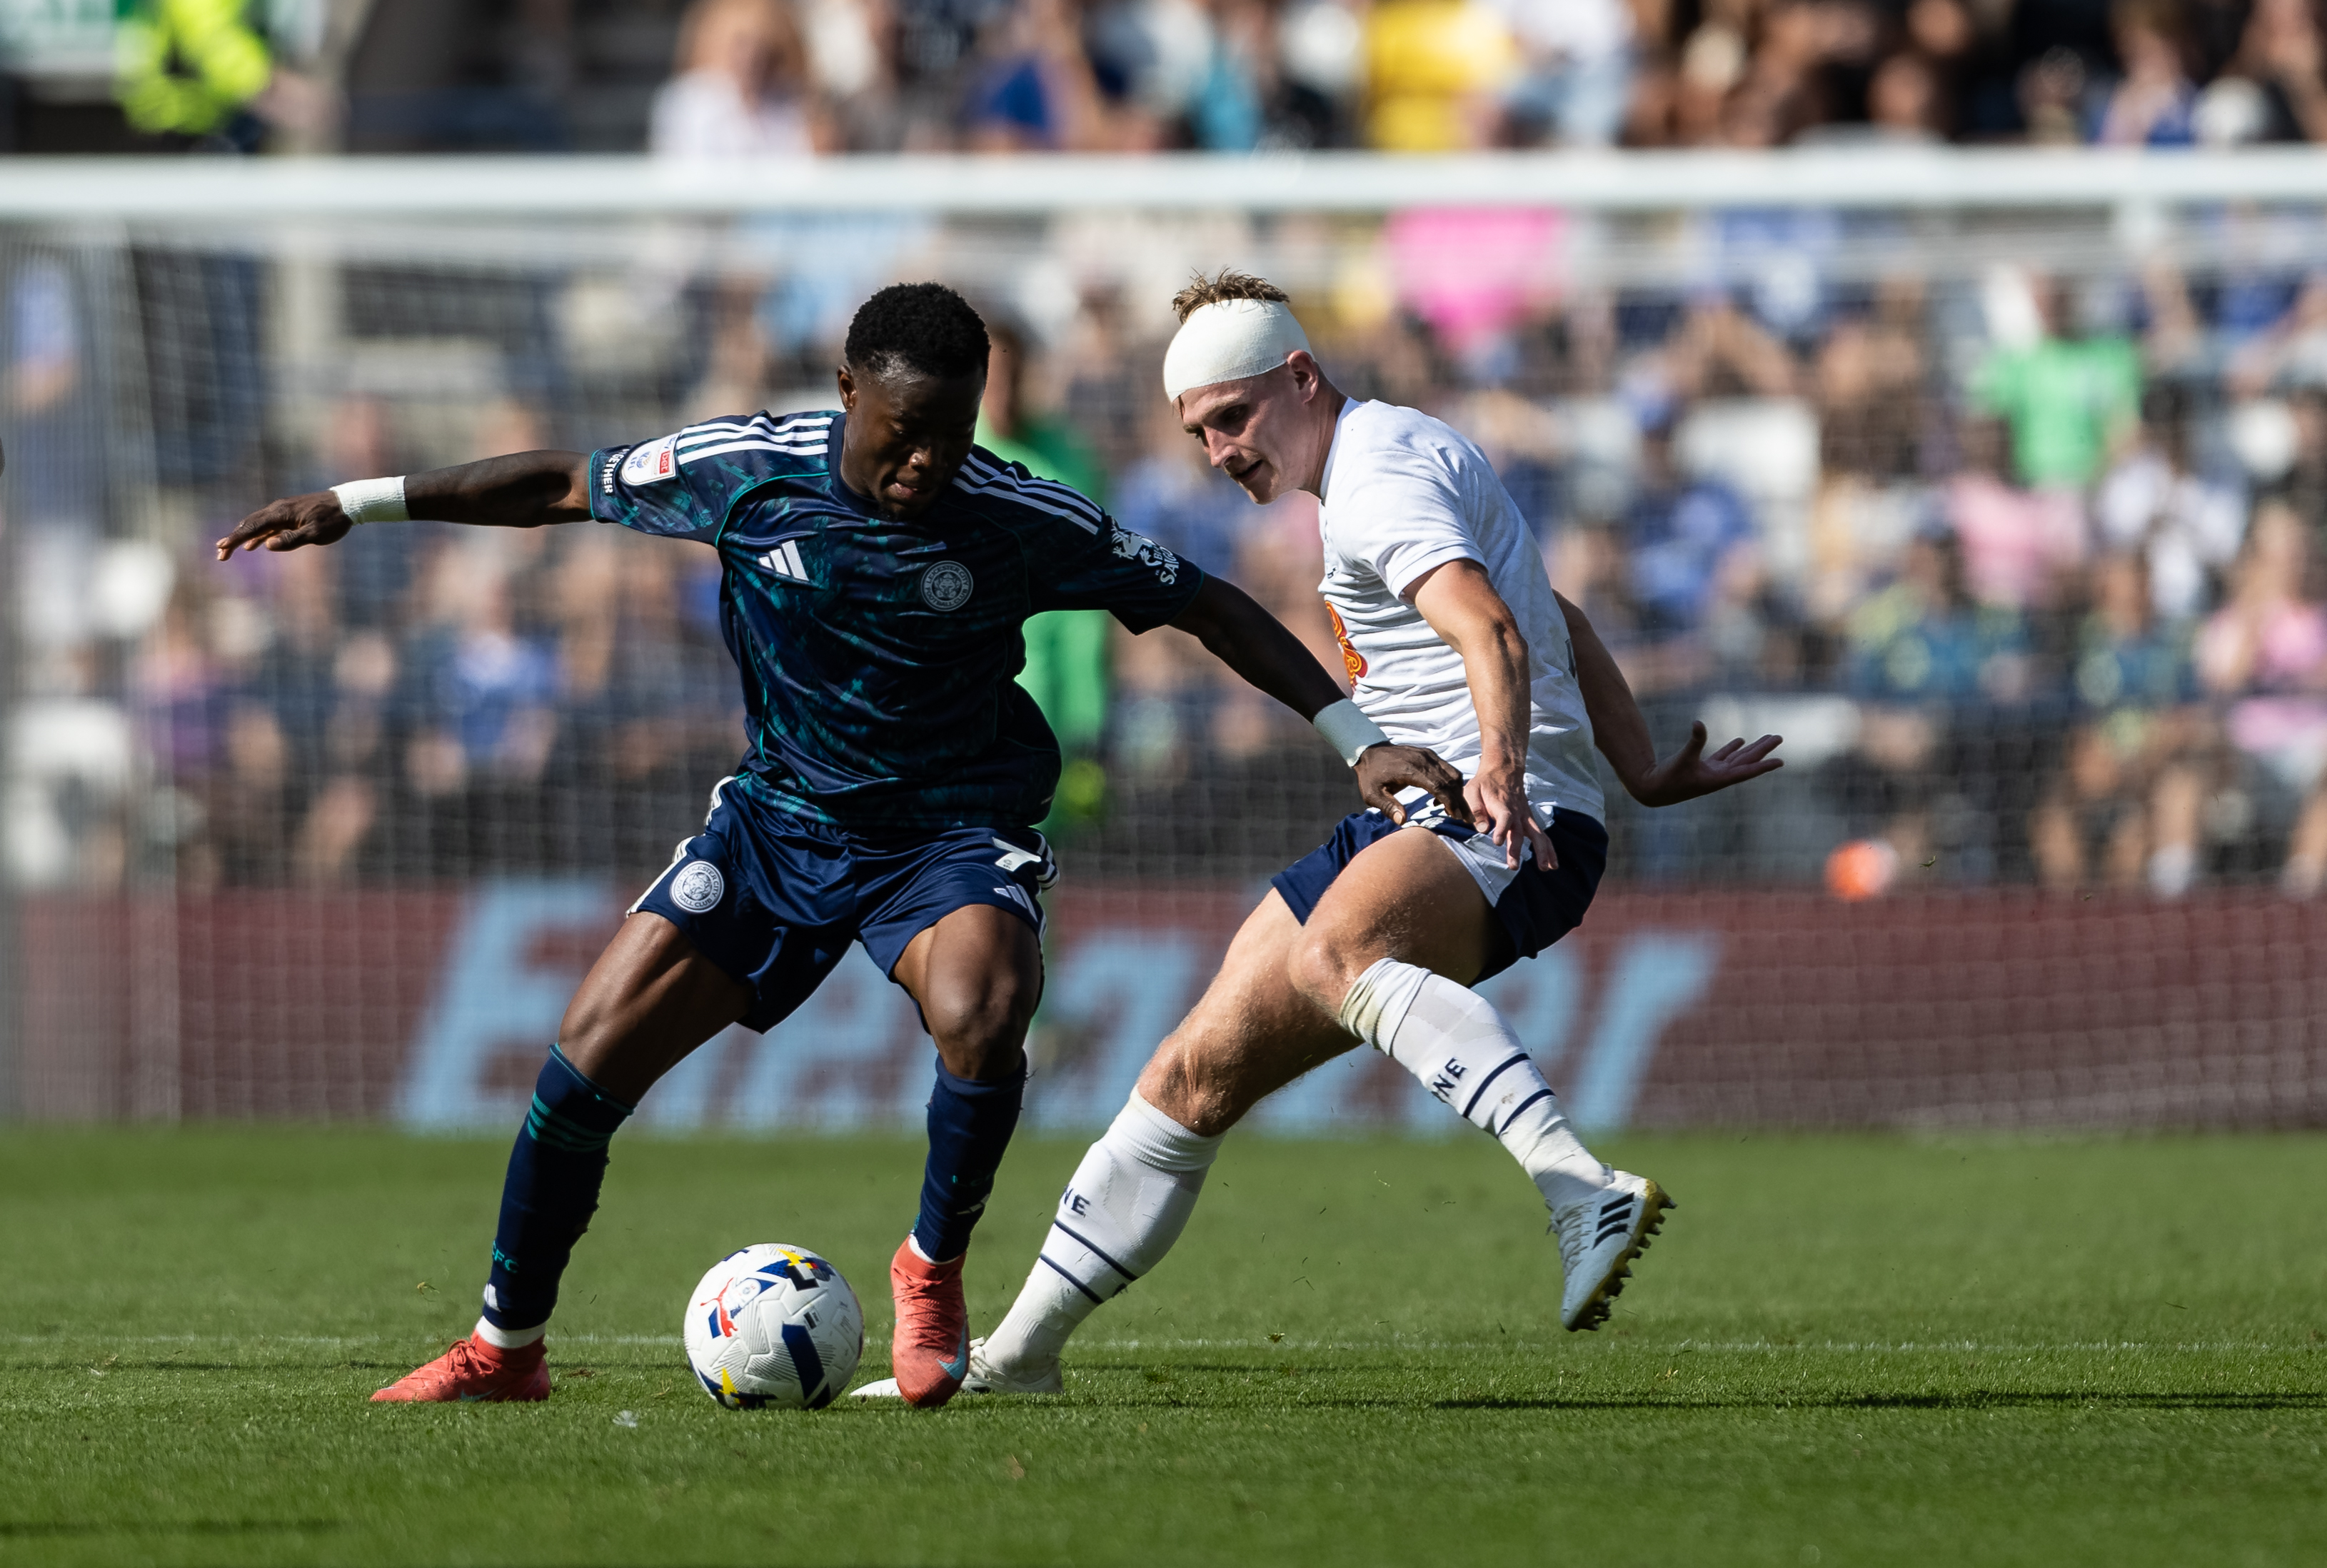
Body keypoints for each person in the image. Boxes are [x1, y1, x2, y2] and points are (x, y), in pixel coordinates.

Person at [214, 283, 1464, 1410]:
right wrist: (353, 504)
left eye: (953, 433)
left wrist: (1353, 738)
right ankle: (505, 1350)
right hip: (776, 825)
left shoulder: (1015, 517)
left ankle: (930, 1270)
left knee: (988, 1005)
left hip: (948, 834)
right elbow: (556, 487)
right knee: (581, 1070)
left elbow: (1204, 600)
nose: (925, 462)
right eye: (900, 432)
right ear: (847, 394)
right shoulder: (743, 471)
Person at [950, 271, 1784, 1397]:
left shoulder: (1379, 478)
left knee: (1337, 955)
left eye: (1233, 419)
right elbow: (1554, 609)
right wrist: (1633, 765)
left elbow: (1492, 628)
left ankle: (1577, 1186)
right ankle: (1019, 1358)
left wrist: (1503, 765)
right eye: (1198, 434)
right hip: (1437, 805)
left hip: (1499, 810)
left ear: (1302, 377)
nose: (1220, 453)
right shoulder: (1382, 461)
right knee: (1188, 1076)